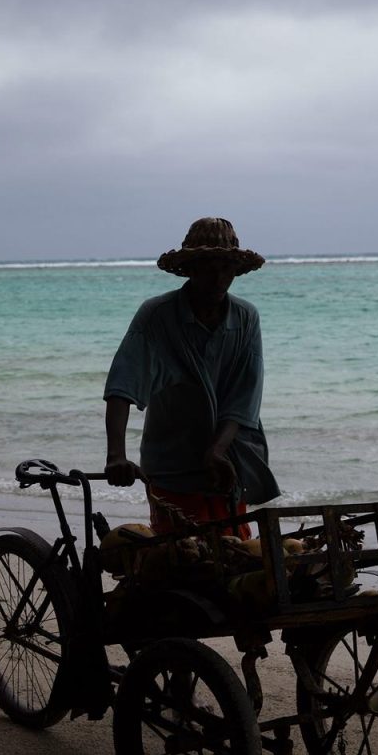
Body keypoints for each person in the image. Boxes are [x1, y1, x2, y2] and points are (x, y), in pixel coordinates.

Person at [104, 217, 279, 537]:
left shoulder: (246, 317)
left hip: (227, 463)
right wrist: (116, 455)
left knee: (234, 559)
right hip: (171, 463)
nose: (218, 278)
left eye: (226, 268)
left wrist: (217, 449)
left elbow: (245, 397)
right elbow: (123, 383)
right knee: (180, 559)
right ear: (191, 268)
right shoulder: (157, 315)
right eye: (209, 267)